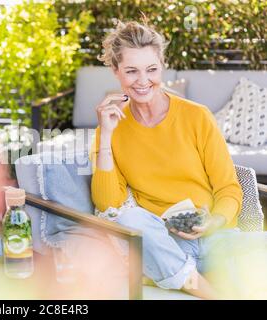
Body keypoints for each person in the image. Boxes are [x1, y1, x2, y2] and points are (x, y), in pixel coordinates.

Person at [91, 20, 267, 299]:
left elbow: (228, 189)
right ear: (115, 71)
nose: (143, 80)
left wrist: (215, 222)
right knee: (130, 219)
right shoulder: (111, 128)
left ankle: (166, 276)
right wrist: (106, 137)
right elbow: (108, 205)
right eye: (131, 71)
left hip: (216, 238)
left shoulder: (197, 117)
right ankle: (207, 290)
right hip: (166, 243)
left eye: (151, 69)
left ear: (162, 64)